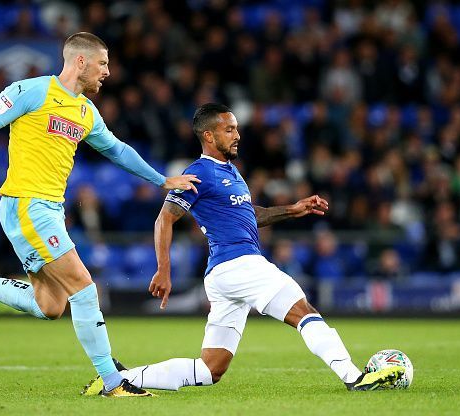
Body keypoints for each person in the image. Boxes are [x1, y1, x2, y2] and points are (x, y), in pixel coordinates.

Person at [82, 103, 403, 394]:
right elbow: (164, 219)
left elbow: (251, 214)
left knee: (210, 369)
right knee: (304, 312)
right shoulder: (200, 172)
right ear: (208, 135)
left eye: (236, 128)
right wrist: (163, 269)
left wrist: (292, 209)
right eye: (229, 129)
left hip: (224, 276)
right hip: (240, 265)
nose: (237, 135)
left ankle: (119, 378)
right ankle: (354, 378)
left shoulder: (230, 172)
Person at [0, 32, 200, 398]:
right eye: (103, 63)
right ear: (80, 62)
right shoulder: (31, 91)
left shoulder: (85, 111)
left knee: (49, 306)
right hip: (27, 205)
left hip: (49, 210)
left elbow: (117, 149)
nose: (108, 72)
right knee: (84, 289)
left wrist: (162, 180)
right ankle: (112, 382)